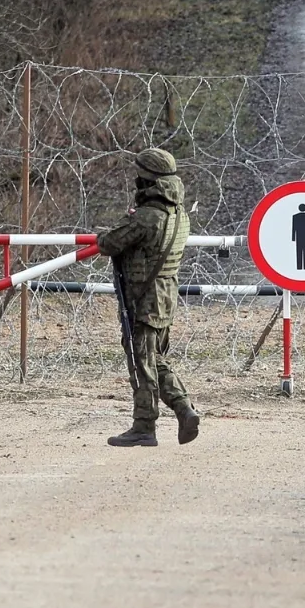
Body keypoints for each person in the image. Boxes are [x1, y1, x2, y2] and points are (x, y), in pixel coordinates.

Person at [96, 148, 199, 447]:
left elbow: (109, 243)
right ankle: (183, 408)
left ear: (148, 180)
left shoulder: (147, 217)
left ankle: (144, 426)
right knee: (154, 359)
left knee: (141, 363)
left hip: (144, 299)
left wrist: (119, 223)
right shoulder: (179, 214)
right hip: (165, 295)